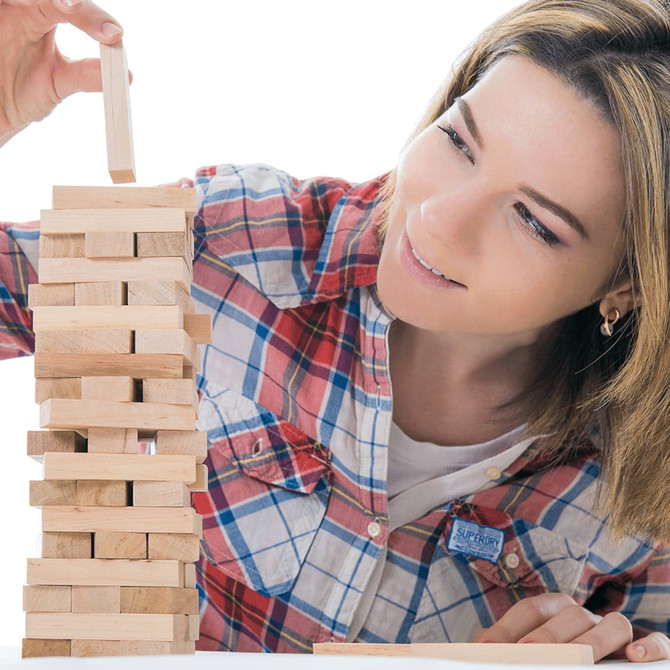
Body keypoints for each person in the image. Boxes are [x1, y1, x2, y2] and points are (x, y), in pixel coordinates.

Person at [1, 0, 670, 662]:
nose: (437, 219)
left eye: (533, 220)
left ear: (628, 283)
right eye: (459, 142)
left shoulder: (641, 472)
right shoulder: (236, 242)